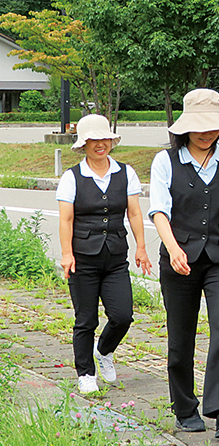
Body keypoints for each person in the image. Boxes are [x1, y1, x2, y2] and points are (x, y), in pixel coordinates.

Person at [148, 88, 219, 439]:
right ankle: (185, 408)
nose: (205, 134)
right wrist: (173, 248)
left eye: (212, 128)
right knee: (181, 337)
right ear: (183, 128)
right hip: (179, 258)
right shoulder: (166, 161)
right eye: (198, 128)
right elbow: (159, 211)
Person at [57, 114, 152, 395]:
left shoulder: (126, 172)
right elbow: (66, 220)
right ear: (83, 145)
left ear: (112, 141)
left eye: (105, 139)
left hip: (115, 256)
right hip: (82, 258)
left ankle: (104, 351)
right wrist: (66, 254)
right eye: (94, 140)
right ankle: (85, 372)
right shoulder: (72, 177)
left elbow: (134, 212)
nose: (101, 144)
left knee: (123, 315)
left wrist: (142, 247)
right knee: (86, 319)